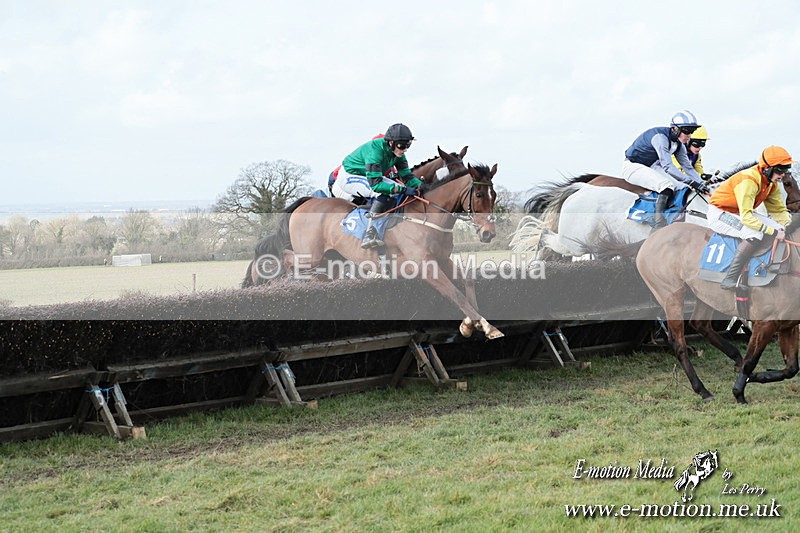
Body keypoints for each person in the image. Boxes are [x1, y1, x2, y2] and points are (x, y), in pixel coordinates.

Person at [708, 145, 793, 290]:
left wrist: (789, 226)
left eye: (785, 171)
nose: (782, 175)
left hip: (739, 212)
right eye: (779, 171)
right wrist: (773, 232)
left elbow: (778, 211)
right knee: (754, 233)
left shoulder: (771, 184)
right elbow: (747, 218)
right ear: (767, 168)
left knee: (780, 227)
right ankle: (730, 278)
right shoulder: (749, 180)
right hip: (720, 212)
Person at [330, 123, 424, 249]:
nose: (405, 149)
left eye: (408, 145)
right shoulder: (375, 151)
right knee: (381, 193)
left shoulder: (398, 153)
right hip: (349, 176)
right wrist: (404, 189)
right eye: (402, 146)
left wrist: (424, 187)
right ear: (391, 143)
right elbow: (376, 185)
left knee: (395, 190)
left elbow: (407, 177)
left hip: (366, 175)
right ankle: (370, 233)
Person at [623, 110, 710, 228]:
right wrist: (692, 182)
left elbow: (688, 167)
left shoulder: (679, 144)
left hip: (652, 166)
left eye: (691, 132)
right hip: (633, 166)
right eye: (686, 131)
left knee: (683, 187)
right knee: (666, 186)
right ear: (675, 129)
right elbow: (668, 166)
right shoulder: (660, 138)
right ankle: (658, 224)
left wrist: (702, 184)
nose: (689, 136)